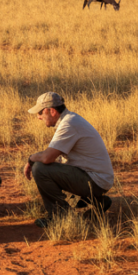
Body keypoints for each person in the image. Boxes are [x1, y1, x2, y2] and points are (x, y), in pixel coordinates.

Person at [23, 92, 115, 228]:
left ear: (52, 111)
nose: (38, 117)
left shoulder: (68, 124)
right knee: (51, 169)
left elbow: (47, 158)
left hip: (95, 180)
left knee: (40, 168)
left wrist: (31, 159)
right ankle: (96, 202)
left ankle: (60, 218)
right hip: (97, 179)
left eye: (40, 112)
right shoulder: (70, 120)